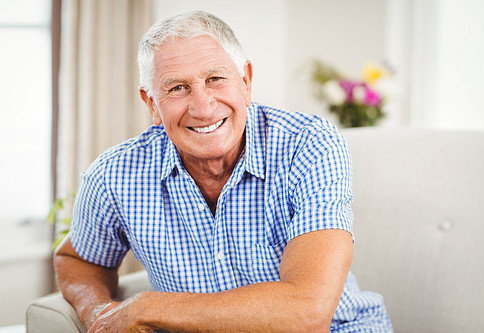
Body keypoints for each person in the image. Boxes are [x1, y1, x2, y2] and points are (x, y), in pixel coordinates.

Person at [54, 10, 393, 333]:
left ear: (245, 81)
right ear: (152, 104)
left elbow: (307, 314)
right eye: (177, 88)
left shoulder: (308, 144)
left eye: (215, 78)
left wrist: (146, 309)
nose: (202, 107)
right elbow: (77, 259)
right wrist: (99, 311)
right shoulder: (115, 175)